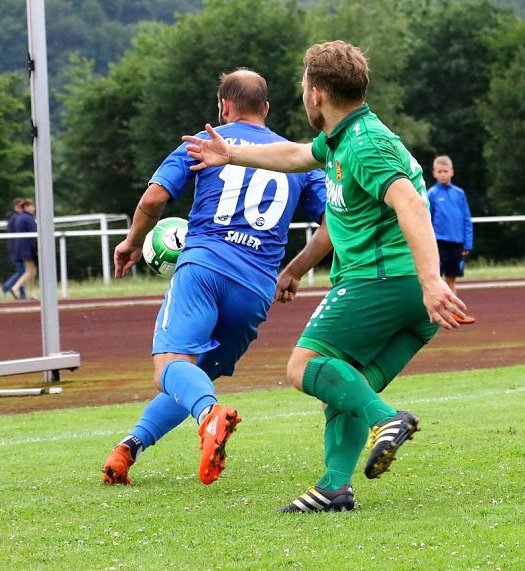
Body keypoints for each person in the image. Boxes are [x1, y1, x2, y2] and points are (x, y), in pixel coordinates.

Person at [182, 40, 467, 512]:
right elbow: (296, 159)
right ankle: (334, 486)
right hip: (411, 298)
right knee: (345, 383)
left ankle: (387, 420)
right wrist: (230, 154)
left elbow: (412, 204)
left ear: (315, 93)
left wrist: (432, 280)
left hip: (382, 282)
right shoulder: (341, 140)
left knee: (302, 367)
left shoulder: (364, 144)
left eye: (301, 88)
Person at [102, 68, 327, 487]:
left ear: (224, 107)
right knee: (196, 373)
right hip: (256, 286)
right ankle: (129, 446)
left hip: (204, 268)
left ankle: (210, 416)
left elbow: (154, 198)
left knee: (170, 366)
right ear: (266, 108)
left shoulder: (203, 142)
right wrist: (293, 271)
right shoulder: (296, 156)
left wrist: (134, 240)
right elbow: (333, 224)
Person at [428, 155, 475, 324]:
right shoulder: (431, 194)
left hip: (457, 242)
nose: (443, 174)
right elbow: (426, 220)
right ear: (434, 173)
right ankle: (432, 315)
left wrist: (467, 242)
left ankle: (454, 313)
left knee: (451, 279)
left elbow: (466, 219)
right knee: (435, 279)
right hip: (438, 243)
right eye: (439, 172)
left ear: (452, 172)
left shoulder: (459, 193)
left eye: (445, 171)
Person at [10, 198, 37, 300]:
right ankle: (15, 288)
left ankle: (31, 293)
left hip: (22, 248)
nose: (33, 208)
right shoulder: (28, 218)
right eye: (32, 206)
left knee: (31, 271)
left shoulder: (20, 217)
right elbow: (34, 234)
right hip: (27, 248)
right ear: (26, 207)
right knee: (30, 272)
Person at [0, 197, 26, 299]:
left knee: (22, 271)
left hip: (16, 247)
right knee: (22, 272)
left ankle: (22, 295)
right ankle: (6, 287)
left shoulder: (15, 217)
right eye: (21, 206)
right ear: (16, 206)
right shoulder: (16, 218)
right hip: (16, 248)